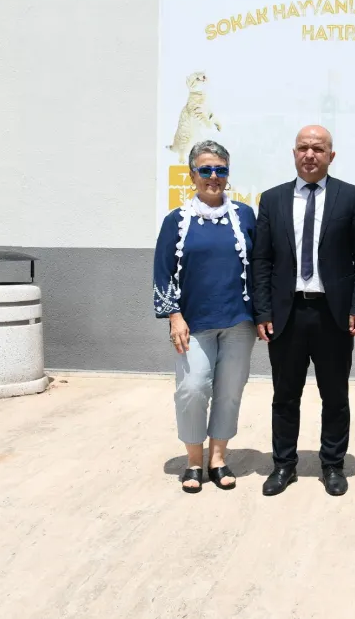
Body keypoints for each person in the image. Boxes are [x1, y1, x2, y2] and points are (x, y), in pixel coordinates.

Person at [252, 125, 355, 497]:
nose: (310, 154)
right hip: (286, 315)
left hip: (332, 315)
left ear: (330, 156)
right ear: (294, 153)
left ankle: (333, 465)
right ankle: (283, 465)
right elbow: (261, 260)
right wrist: (262, 311)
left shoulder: (349, 196)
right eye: (303, 147)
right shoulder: (272, 199)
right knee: (284, 396)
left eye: (318, 148)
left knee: (335, 396)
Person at [153, 140, 257, 494]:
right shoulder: (176, 221)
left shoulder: (245, 216)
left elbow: (260, 266)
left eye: (221, 170)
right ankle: (194, 461)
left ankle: (218, 458)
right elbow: (163, 273)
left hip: (239, 322)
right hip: (193, 323)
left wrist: (264, 314)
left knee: (229, 390)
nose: (214, 176)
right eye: (206, 169)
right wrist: (174, 316)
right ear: (192, 174)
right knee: (192, 388)